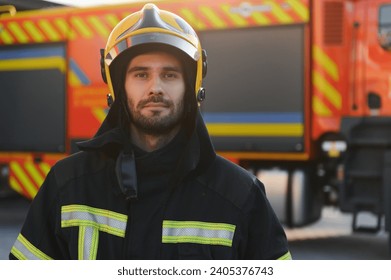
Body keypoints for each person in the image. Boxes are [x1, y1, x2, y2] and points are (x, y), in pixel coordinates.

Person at [9, 3, 291, 260]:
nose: (155, 87)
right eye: (140, 74)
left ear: (192, 87)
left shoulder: (240, 195)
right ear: (118, 87)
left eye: (169, 74)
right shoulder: (67, 185)